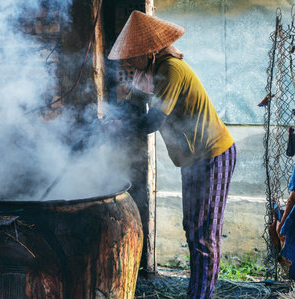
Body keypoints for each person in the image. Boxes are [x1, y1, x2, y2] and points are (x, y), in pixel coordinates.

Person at [108, 11, 236, 299]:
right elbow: (129, 110)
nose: (128, 61)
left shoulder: (171, 70)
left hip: (213, 154)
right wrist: (104, 126)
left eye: (132, 55)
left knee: (204, 235)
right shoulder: (147, 73)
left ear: (150, 51)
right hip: (192, 158)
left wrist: (119, 132)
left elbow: (152, 121)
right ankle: (197, 291)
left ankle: (201, 296)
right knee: (192, 227)